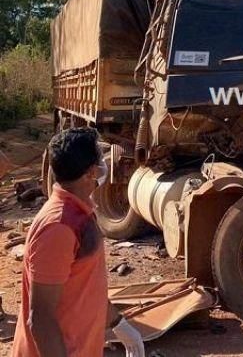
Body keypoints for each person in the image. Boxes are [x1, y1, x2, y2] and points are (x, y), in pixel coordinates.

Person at [12, 127, 144, 357]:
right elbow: (41, 319)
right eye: (100, 160)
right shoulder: (59, 228)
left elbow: (85, 288)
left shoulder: (78, 214)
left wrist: (118, 323)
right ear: (92, 172)